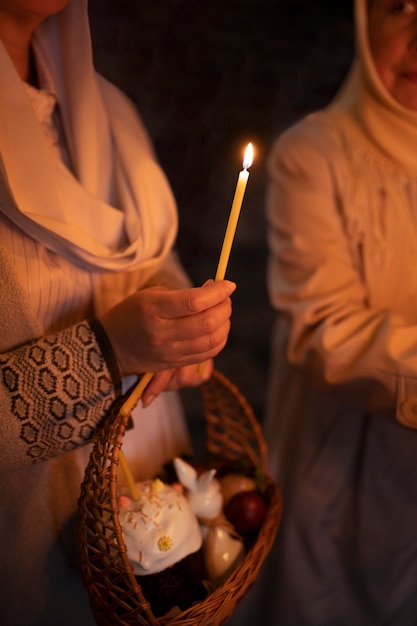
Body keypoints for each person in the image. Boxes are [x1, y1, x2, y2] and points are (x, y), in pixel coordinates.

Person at [0, 1, 236, 624]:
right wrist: (107, 352)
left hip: (154, 484)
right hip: (31, 536)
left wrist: (182, 323)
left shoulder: (110, 112)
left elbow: (140, 262)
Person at [228, 0, 417, 624]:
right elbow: (324, 334)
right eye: (401, 9)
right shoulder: (314, 153)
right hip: (337, 469)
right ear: (365, 23)